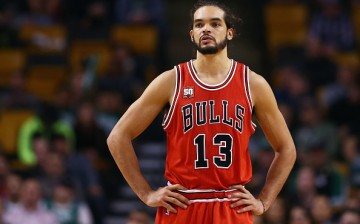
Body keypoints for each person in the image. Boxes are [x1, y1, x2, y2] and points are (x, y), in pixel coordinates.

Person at [107, 1, 296, 223]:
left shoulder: (253, 83)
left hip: (230, 204)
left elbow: (287, 149)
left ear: (230, 33)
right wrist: (146, 194)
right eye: (199, 25)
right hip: (183, 204)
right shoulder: (172, 81)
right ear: (191, 35)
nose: (206, 29)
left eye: (215, 24)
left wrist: (264, 201)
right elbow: (117, 137)